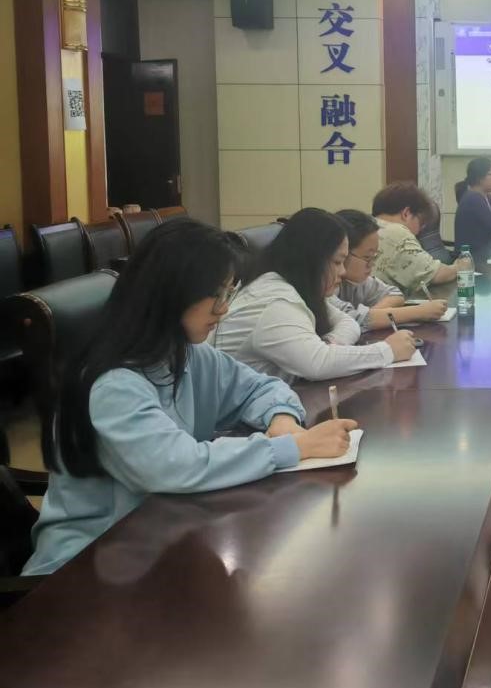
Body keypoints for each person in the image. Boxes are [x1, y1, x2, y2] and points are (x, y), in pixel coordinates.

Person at [23, 219, 359, 576]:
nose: (224, 309)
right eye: (218, 295)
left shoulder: (184, 354)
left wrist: (283, 420)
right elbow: (176, 466)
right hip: (83, 568)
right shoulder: (113, 384)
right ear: (174, 293)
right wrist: (293, 448)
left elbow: (261, 387)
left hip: (155, 545)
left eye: (229, 292)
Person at [214, 208, 415, 382]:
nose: (343, 271)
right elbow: (317, 364)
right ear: (311, 259)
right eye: (337, 262)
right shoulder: (275, 300)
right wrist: (387, 351)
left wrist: (330, 345)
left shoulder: (295, 288)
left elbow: (349, 324)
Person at [332, 209, 448, 331]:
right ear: (344, 253)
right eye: (367, 257)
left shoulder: (357, 282)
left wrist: (373, 314)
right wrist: (419, 312)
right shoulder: (326, 288)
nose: (371, 264)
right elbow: (352, 321)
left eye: (374, 257)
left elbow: (394, 294)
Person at [372, 182, 458, 297]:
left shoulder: (366, 225)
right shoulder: (398, 233)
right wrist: (459, 267)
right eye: (421, 224)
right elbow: (436, 274)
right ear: (406, 214)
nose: (418, 232)